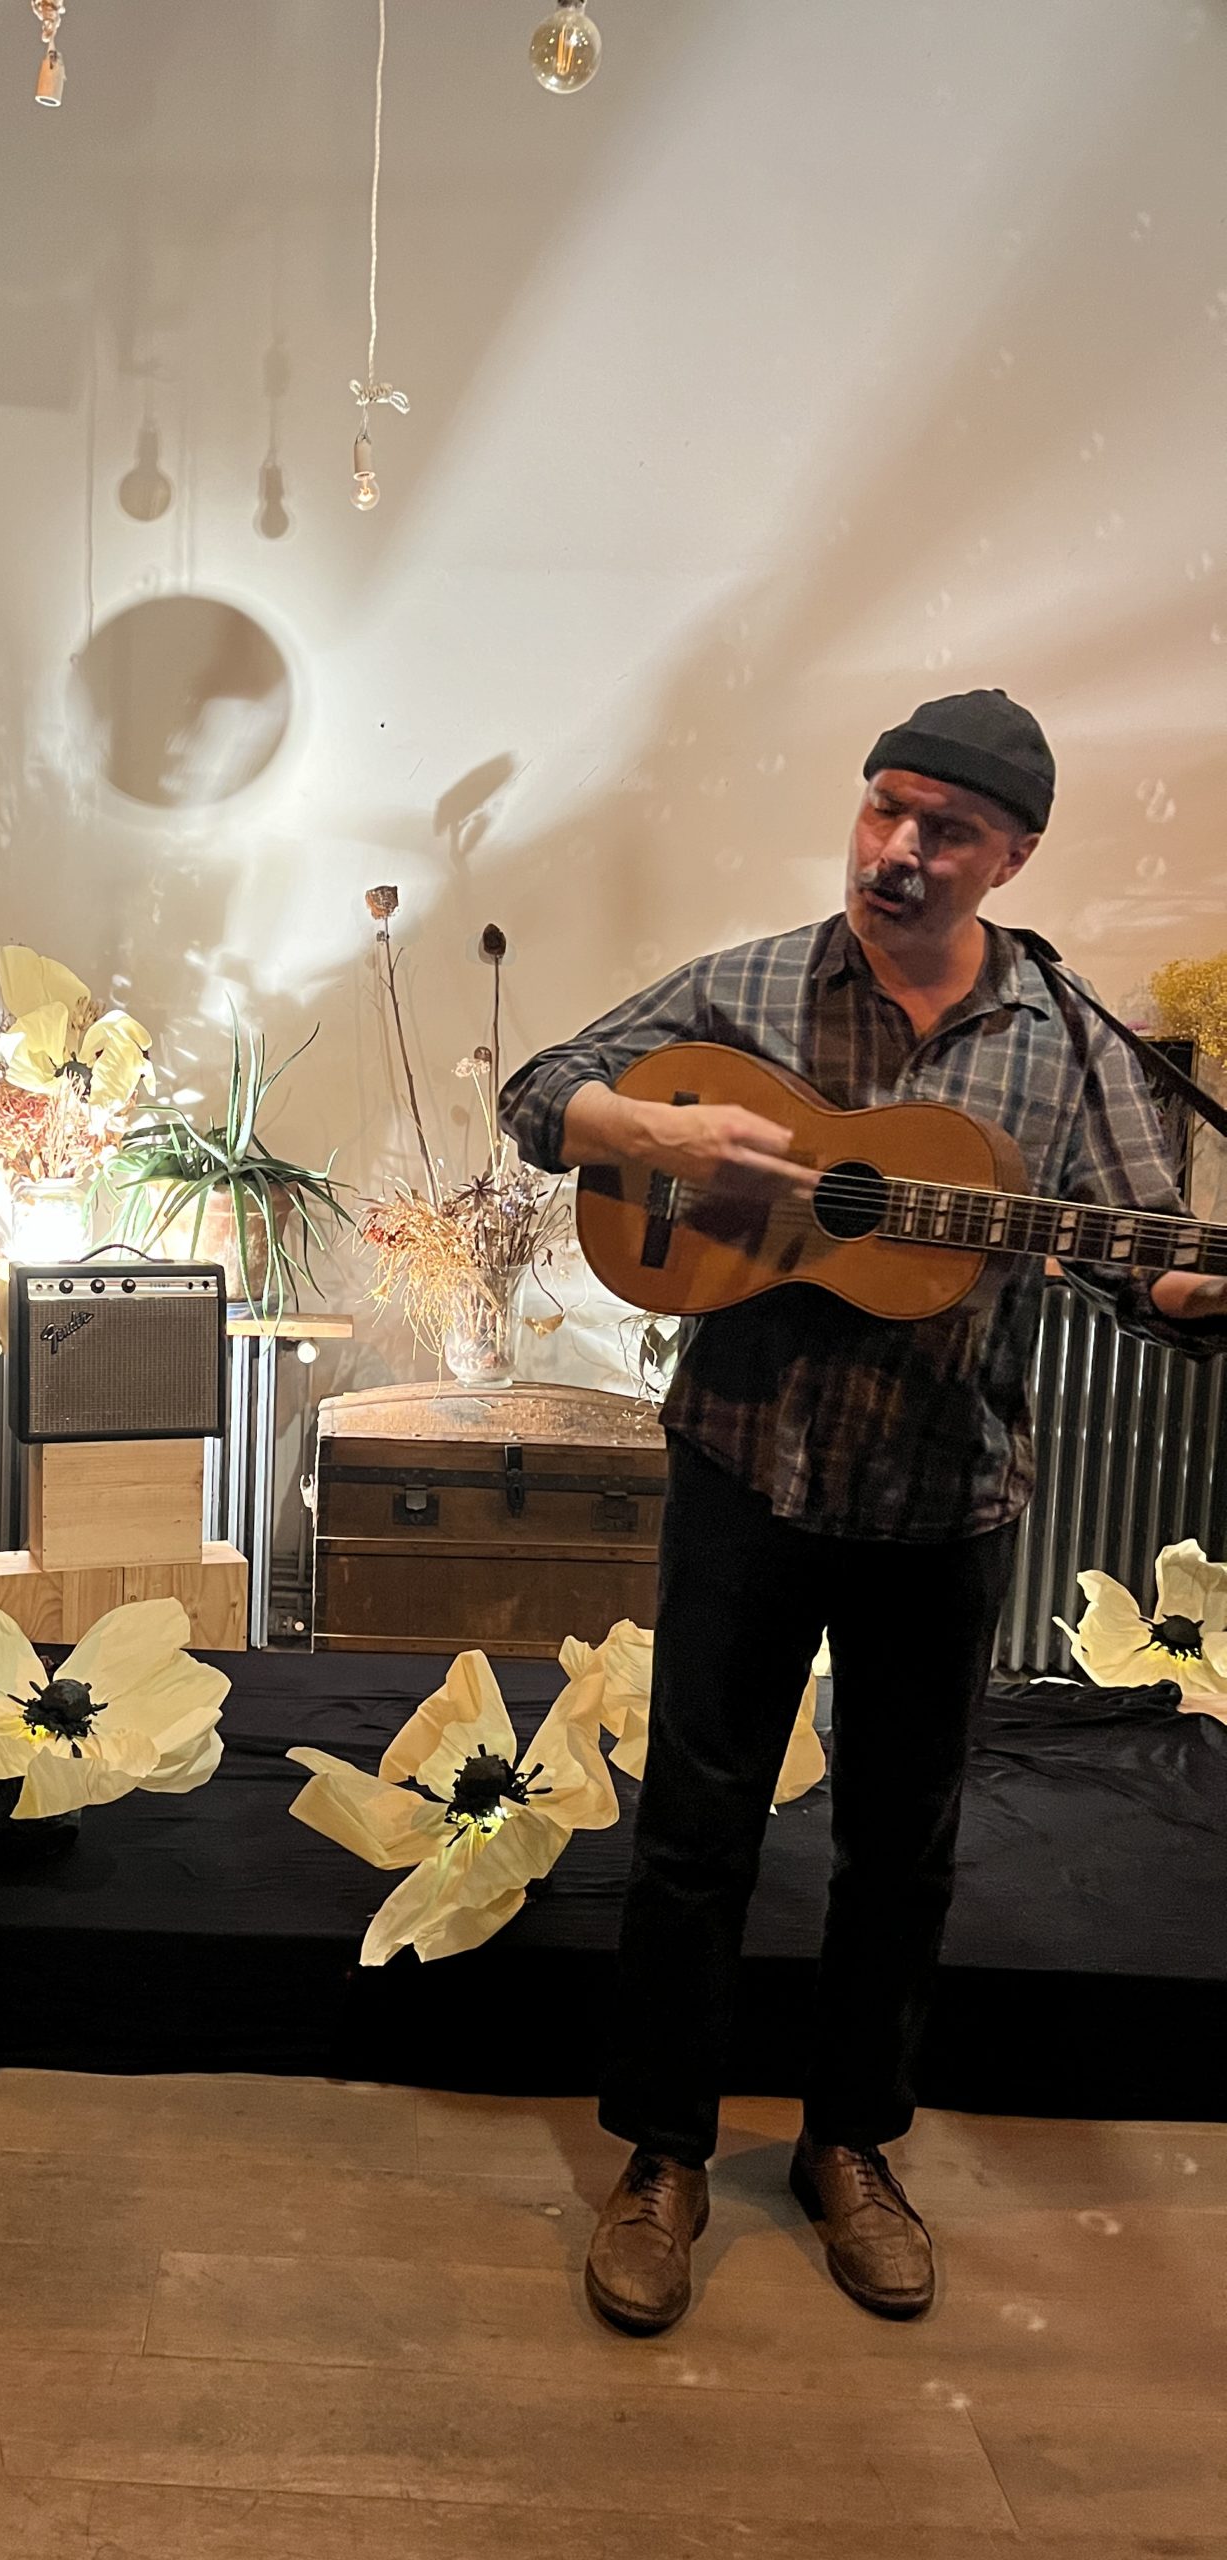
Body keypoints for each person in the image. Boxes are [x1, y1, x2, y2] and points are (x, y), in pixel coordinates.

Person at [499, 689, 1227, 2337]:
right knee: (693, 1833)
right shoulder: (745, 986)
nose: (898, 850)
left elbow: (1142, 1248)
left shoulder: (1071, 1041)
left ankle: (851, 2149)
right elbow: (546, 1092)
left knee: (903, 1852)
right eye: (883, 808)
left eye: (944, 831)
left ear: (1013, 857)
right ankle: (665, 2160)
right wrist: (656, 1125)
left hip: (943, 1493)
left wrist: (1189, 1295)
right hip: (746, 1469)